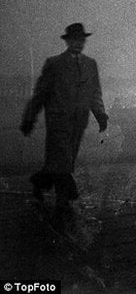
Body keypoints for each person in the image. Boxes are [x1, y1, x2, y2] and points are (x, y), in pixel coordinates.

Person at [20, 23, 108, 222]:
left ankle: (39, 182)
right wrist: (30, 117)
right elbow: (41, 93)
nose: (78, 43)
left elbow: (95, 93)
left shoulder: (90, 64)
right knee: (63, 160)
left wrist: (101, 115)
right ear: (67, 41)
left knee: (64, 160)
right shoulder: (55, 64)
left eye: (81, 40)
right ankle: (64, 198)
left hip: (79, 122)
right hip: (58, 121)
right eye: (74, 40)